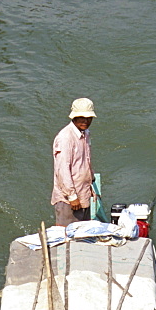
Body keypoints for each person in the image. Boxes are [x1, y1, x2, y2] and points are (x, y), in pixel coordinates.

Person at [51, 97, 96, 227]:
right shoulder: (65, 138)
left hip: (83, 193)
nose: (86, 121)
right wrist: (72, 197)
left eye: (89, 118)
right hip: (70, 199)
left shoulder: (85, 133)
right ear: (74, 117)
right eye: (82, 117)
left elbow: (85, 160)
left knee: (83, 233)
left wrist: (91, 182)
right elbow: (62, 170)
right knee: (66, 235)